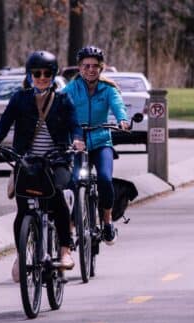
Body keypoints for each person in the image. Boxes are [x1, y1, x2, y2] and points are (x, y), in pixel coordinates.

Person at [0, 50, 84, 281]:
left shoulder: (62, 99)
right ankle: (21, 254)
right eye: (36, 73)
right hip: (26, 162)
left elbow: (74, 125)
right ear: (29, 75)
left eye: (47, 73)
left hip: (55, 159)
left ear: (53, 75)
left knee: (57, 199)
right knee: (23, 210)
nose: (41, 77)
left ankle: (65, 251)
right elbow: (4, 123)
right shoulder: (20, 98)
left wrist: (77, 140)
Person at [63, 46, 129, 245]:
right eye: (86, 66)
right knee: (73, 182)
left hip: (101, 143)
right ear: (79, 68)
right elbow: (58, 107)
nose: (90, 70)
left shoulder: (108, 89)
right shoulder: (70, 90)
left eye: (95, 66)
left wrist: (122, 120)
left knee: (104, 179)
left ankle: (107, 222)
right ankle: (72, 227)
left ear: (102, 68)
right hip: (78, 144)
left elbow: (118, 106)